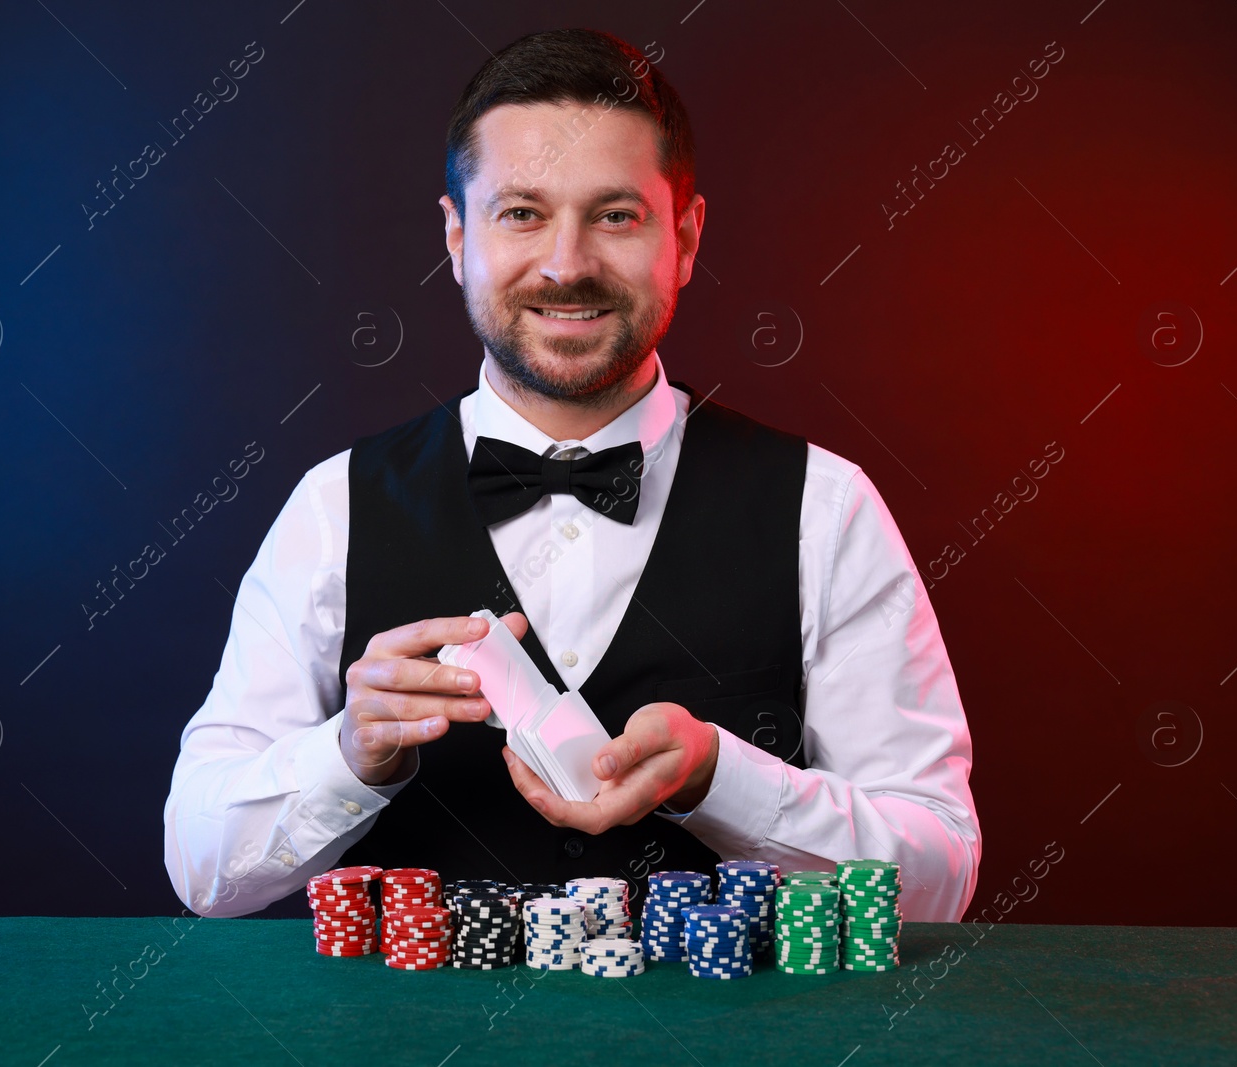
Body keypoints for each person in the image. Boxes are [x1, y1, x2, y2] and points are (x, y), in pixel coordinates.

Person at [163, 27, 980, 923]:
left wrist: (724, 779)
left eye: (616, 215)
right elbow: (203, 869)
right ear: (456, 235)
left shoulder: (825, 508)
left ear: (688, 237)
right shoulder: (335, 507)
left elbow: (938, 877)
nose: (566, 264)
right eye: (521, 212)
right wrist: (349, 755)